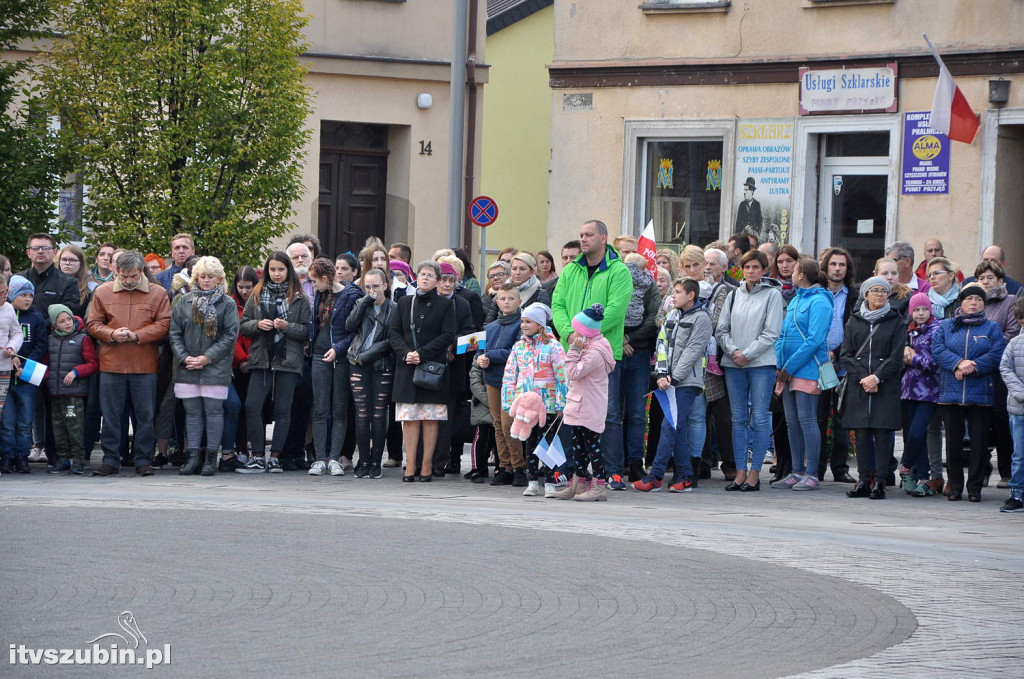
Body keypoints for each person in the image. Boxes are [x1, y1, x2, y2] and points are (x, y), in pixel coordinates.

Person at [551, 219, 632, 490]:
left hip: (602, 354)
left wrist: (585, 335)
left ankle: (611, 471)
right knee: (571, 413)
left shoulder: (618, 271)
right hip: (572, 351)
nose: (583, 239)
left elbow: (616, 309)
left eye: (589, 235)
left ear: (604, 239)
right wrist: (569, 333)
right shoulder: (571, 271)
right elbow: (558, 304)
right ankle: (573, 473)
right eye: (581, 234)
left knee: (606, 414)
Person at [86, 251, 172, 477]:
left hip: (144, 365)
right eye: (124, 276)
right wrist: (112, 334)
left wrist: (138, 335)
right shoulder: (102, 292)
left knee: (145, 415)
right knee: (112, 415)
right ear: (116, 271)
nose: (128, 281)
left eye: (133, 276)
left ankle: (143, 460)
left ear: (141, 271)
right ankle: (110, 459)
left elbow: (164, 324)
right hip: (111, 364)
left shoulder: (158, 293)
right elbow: (93, 323)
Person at [635, 277, 712, 493]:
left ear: (691, 295)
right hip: (668, 379)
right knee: (675, 428)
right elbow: (661, 343)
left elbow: (692, 351)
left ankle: (656, 475)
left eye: (678, 292)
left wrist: (674, 378)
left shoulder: (702, 319)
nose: (673, 296)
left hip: (687, 382)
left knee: (670, 425)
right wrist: (661, 373)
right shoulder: (672, 315)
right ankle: (686, 476)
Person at [236, 252, 311, 474]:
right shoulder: (257, 294)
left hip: (288, 359)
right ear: (267, 271)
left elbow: (307, 331)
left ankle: (276, 457)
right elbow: (243, 325)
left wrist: (287, 327)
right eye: (273, 269)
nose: (277, 274)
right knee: (252, 406)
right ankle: (257, 456)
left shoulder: (299, 297)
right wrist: (259, 325)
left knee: (283, 409)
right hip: (261, 358)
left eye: (281, 269)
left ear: (288, 270)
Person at [715, 249, 783, 491]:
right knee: (738, 418)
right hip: (734, 364)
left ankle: (755, 472)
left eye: (756, 267)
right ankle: (740, 470)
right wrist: (734, 351)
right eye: (747, 267)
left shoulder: (773, 295)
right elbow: (722, 330)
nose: (751, 271)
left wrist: (748, 354)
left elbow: (772, 332)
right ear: (741, 270)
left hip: (761, 364)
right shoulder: (734, 295)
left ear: (764, 270)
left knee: (761, 417)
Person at [932, 284, 1006, 502]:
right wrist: (957, 363)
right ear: (961, 303)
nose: (973, 303)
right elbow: (937, 350)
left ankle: (975, 488)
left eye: (978, 299)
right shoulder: (946, 326)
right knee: (953, 443)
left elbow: (997, 353)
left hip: (981, 393)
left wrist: (973, 366)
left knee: (979, 444)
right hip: (951, 392)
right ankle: (954, 486)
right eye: (969, 299)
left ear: (984, 304)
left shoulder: (992, 328)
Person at [168, 256, 239, 476]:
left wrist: (207, 358)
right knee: (192, 413)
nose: (206, 280)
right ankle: (192, 458)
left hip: (215, 367)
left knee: (214, 412)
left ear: (219, 279)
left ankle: (210, 459)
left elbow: (230, 336)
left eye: (211, 277)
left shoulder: (226, 303)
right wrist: (184, 357)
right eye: (202, 276)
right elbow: (175, 333)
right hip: (187, 366)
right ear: (196, 277)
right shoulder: (184, 301)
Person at [839, 276, 907, 500]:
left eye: (883, 291)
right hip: (860, 386)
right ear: (865, 294)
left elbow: (896, 357)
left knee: (881, 434)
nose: (879, 294)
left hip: (884, 386)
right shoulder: (854, 320)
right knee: (861, 435)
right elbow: (846, 355)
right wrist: (864, 378)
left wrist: (876, 378)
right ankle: (863, 480)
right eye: (874, 290)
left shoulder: (896, 321)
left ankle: (880, 481)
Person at [387, 260, 456, 482]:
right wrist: (406, 353)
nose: (425, 278)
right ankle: (410, 465)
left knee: (430, 418)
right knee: (409, 418)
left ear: (437, 281)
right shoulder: (405, 302)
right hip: (406, 367)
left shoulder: (445, 305)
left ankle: (426, 466)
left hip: (431, 368)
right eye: (422, 274)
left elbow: (447, 334)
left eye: (430, 275)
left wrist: (422, 353)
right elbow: (394, 332)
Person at [772, 257, 832, 491]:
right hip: (787, 370)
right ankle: (796, 471)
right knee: (792, 423)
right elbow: (783, 334)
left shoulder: (820, 302)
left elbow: (815, 340)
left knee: (807, 421)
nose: (790, 273)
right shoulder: (797, 298)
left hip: (806, 369)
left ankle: (811, 473)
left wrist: (790, 366)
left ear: (801, 275)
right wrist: (779, 363)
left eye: (794, 269)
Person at [501, 302, 568, 496]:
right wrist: (509, 400)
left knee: (546, 442)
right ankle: (532, 481)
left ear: (540, 324)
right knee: (529, 443)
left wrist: (561, 402)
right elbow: (510, 375)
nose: (524, 325)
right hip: (525, 406)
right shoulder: (518, 347)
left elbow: (562, 376)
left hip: (547, 405)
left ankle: (549, 481)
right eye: (522, 321)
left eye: (528, 321)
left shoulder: (553, 347)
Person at [306, 257, 362, 477]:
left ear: (325, 278)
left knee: (339, 409)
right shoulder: (319, 295)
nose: (312, 285)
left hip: (340, 358)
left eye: (314, 281)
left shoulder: (350, 295)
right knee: (320, 408)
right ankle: (320, 458)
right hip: (319, 356)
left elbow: (354, 330)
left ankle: (336, 458)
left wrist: (338, 348)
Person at [555, 304, 616, 501]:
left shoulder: (595, 352)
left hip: (589, 405)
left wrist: (573, 350)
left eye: (576, 331)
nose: (573, 335)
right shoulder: (590, 346)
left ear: (584, 332)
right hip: (579, 402)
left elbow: (573, 372)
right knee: (578, 445)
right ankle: (579, 482)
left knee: (592, 446)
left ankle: (598, 484)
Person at [973, 260, 1020, 488]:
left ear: (1000, 281)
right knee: (980, 420)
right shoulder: (973, 303)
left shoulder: (1010, 301)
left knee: (1001, 417)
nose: (985, 282)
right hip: (979, 371)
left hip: (1000, 369)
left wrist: (983, 348)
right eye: (981, 278)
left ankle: (1006, 471)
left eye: (990, 278)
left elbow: (1011, 332)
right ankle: (980, 469)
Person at [347, 267, 396, 479]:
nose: (372, 290)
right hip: (357, 363)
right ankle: (363, 460)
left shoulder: (394, 308)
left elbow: (392, 340)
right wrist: (365, 301)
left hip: (381, 364)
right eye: (367, 286)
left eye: (376, 286)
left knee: (378, 414)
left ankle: (376, 460)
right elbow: (350, 326)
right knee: (361, 414)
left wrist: (368, 354)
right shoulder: (361, 303)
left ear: (385, 285)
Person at [816, 247, 858, 483]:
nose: (837, 268)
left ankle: (840, 469)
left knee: (842, 420)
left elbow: (854, 331)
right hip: (818, 363)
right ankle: (818, 468)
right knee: (819, 417)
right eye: (833, 264)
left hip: (843, 364)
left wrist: (837, 353)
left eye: (842, 265)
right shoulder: (817, 294)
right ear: (826, 267)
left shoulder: (854, 296)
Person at [619, 252, 662, 481]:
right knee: (613, 412)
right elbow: (610, 311)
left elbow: (654, 317)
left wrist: (630, 339)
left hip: (640, 352)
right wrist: (620, 338)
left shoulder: (651, 287)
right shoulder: (615, 281)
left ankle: (636, 462)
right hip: (614, 351)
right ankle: (614, 463)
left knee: (637, 412)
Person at [42, 304, 98, 475]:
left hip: (74, 393)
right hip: (55, 392)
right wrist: (43, 376)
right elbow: (45, 365)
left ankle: (79, 460)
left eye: (69, 319)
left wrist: (76, 371)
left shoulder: (83, 338)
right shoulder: (50, 340)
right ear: (54, 324)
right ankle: (63, 458)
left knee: (75, 428)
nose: (67, 323)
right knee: (58, 428)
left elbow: (93, 363)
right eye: (62, 321)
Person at [478, 283, 524, 486]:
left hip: (512, 382)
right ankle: (505, 466)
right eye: (503, 299)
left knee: (509, 424)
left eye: (511, 298)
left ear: (519, 302)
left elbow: (516, 351)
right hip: (492, 379)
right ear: (497, 302)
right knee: (497, 424)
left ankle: (519, 467)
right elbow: (480, 350)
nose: (506, 302)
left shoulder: (522, 325)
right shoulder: (489, 327)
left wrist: (490, 355)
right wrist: (481, 359)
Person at [0, 276, 46, 474]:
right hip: (7, 371)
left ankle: (22, 457)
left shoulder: (34, 317)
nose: (27, 299)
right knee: (7, 421)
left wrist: (22, 360)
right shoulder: (9, 309)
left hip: (24, 374)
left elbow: (38, 343)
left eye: (30, 295)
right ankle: (7, 457)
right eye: (23, 295)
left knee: (25, 421)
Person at [899, 293, 941, 497]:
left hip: (929, 392)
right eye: (917, 310)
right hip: (908, 391)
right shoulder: (908, 332)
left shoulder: (937, 330)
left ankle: (905, 466)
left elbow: (936, 364)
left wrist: (914, 358)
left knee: (917, 432)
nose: (921, 313)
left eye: (924, 309)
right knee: (917, 436)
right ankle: (924, 478)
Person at [228, 266, 258, 465]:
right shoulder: (231, 303)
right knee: (238, 409)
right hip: (238, 364)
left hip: (256, 362)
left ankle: (255, 449)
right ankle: (240, 448)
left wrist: (252, 360)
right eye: (241, 287)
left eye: (248, 287)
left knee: (254, 409)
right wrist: (241, 360)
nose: (244, 292)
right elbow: (231, 336)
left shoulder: (260, 302)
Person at [998, 297, 1024, 512]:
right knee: (1019, 453)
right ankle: (1017, 493)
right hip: (1019, 408)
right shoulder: (1015, 343)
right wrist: (1020, 393)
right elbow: (1005, 369)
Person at [21, 233, 82, 320]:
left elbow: (66, 315)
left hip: (51, 332)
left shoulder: (69, 283)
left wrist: (40, 327)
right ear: (28, 253)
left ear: (55, 252)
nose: (40, 251)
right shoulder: (18, 280)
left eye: (45, 248)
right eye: (35, 248)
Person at [0, 277, 24, 450]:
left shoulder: (8, 308)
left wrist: (11, 347)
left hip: (3, 368)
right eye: (1, 293)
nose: (4, 296)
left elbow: (17, 333)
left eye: (6, 292)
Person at [58, 244, 94, 313]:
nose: (67, 263)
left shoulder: (88, 291)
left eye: (72, 260)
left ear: (81, 264)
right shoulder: (51, 283)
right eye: (64, 259)